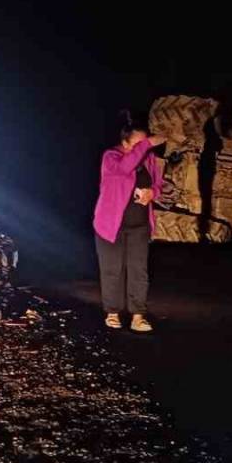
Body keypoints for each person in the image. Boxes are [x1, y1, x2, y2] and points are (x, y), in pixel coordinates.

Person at [93, 112, 165, 333]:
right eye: (137, 144)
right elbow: (125, 169)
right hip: (111, 226)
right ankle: (113, 312)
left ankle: (138, 315)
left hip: (139, 226)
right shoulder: (111, 158)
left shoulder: (149, 159)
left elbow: (160, 186)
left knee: (138, 271)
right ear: (124, 143)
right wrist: (147, 144)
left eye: (145, 144)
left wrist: (152, 193)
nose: (143, 148)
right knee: (112, 270)